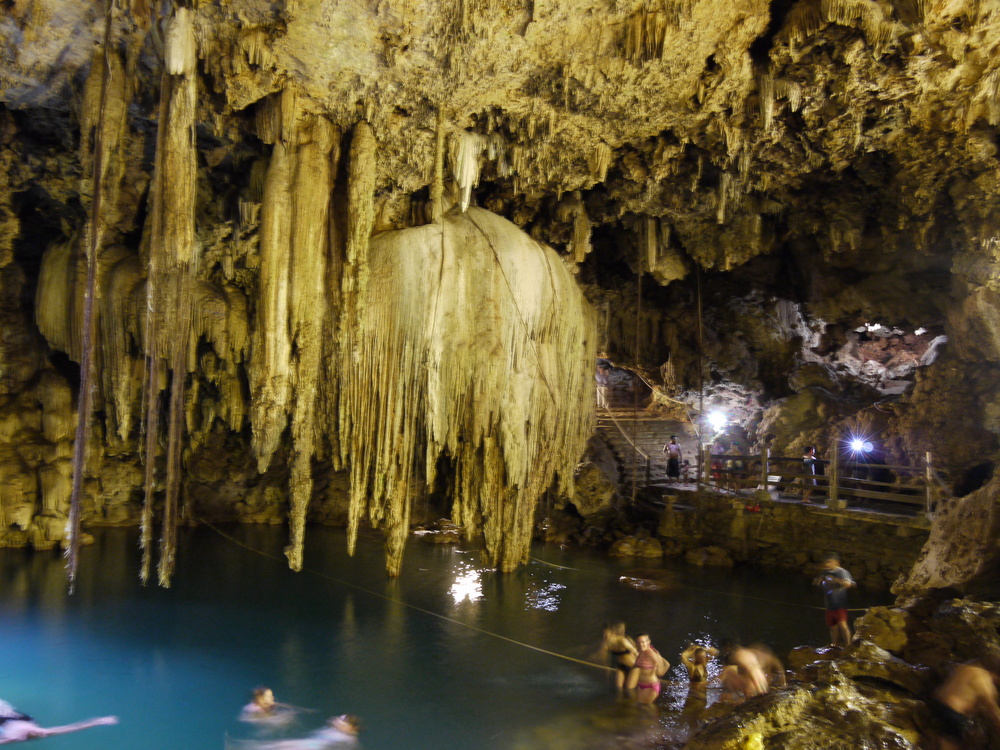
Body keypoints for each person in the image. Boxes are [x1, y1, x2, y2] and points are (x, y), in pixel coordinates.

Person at [930, 660, 1000, 750]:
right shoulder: (985, 680)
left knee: (944, 736)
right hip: (953, 712)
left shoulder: (968, 668)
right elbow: (991, 708)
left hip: (938, 702)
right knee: (957, 742)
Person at [0, 700, 118, 745]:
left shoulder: (13, 738)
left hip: (7, 722)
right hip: (20, 719)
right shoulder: (44, 732)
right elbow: (71, 728)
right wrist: (97, 722)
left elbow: (71, 728)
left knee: (5, 708)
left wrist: (98, 722)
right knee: (5, 708)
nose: (42, 734)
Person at [226, 715, 361, 750]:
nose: (339, 722)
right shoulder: (339, 732)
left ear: (351, 727)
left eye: (344, 722)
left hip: (311, 747)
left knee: (276, 746)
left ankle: (238, 746)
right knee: (276, 746)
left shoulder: (349, 740)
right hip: (309, 745)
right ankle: (239, 745)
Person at [813, 553, 855, 646]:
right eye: (826, 562)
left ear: (836, 562)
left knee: (842, 625)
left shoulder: (842, 572)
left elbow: (849, 584)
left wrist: (836, 580)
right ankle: (834, 645)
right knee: (833, 627)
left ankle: (848, 645)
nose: (827, 564)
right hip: (829, 604)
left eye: (830, 562)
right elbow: (817, 582)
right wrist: (818, 581)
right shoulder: (825, 572)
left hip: (840, 604)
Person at [626, 634, 670, 704]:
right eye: (638, 642)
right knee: (639, 708)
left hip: (650, 686)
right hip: (641, 685)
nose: (641, 644)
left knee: (646, 709)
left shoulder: (651, 653)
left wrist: (658, 675)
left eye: (643, 642)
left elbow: (666, 665)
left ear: (648, 642)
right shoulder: (640, 652)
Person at [600, 622, 638, 690]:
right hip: (621, 667)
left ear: (612, 633)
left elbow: (635, 652)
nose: (604, 635)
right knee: (619, 689)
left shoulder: (622, 641)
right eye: (604, 634)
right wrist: (607, 670)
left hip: (633, 667)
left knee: (629, 689)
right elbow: (605, 658)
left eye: (606, 634)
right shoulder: (607, 644)